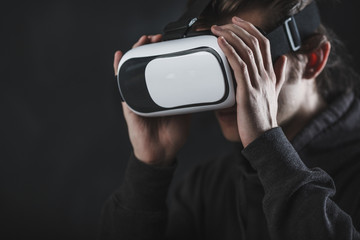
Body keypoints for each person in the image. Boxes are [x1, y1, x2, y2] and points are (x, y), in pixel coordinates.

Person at [99, 0, 360, 239]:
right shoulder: (207, 188)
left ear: (313, 60)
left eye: (246, 58)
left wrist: (268, 148)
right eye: (211, 61)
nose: (225, 90)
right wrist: (148, 170)